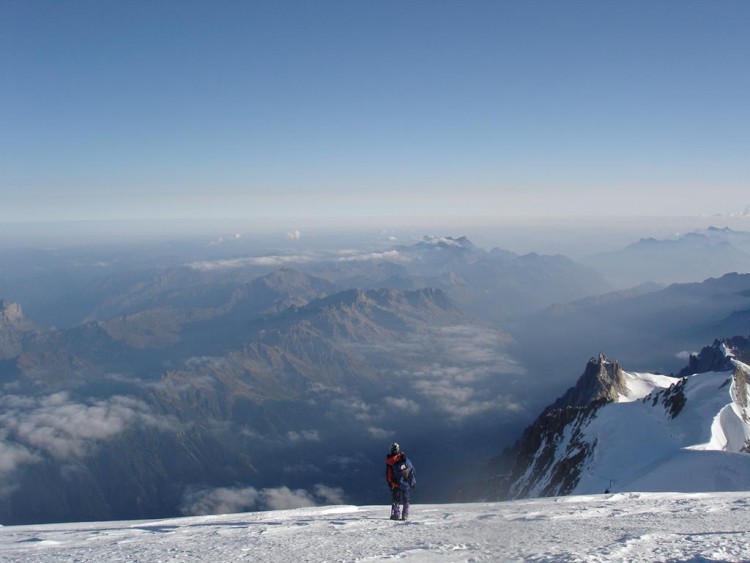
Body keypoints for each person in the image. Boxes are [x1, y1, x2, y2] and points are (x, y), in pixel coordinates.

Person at [385, 442, 416, 520]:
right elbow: (411, 470)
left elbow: (389, 473)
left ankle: (396, 514)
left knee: (396, 498)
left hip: (395, 482)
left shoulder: (389, 461)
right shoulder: (404, 458)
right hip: (405, 482)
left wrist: (390, 482)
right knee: (406, 498)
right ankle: (405, 514)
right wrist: (412, 483)